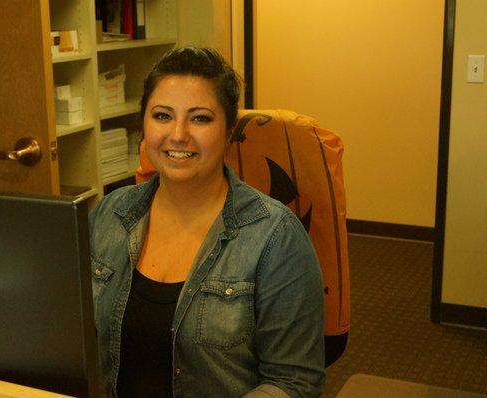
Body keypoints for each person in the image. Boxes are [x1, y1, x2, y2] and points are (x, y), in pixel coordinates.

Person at [88, 46, 325, 397]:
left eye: (200, 118)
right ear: (144, 124)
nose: (179, 134)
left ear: (229, 131)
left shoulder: (274, 237)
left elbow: (294, 383)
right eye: (162, 116)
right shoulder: (110, 213)